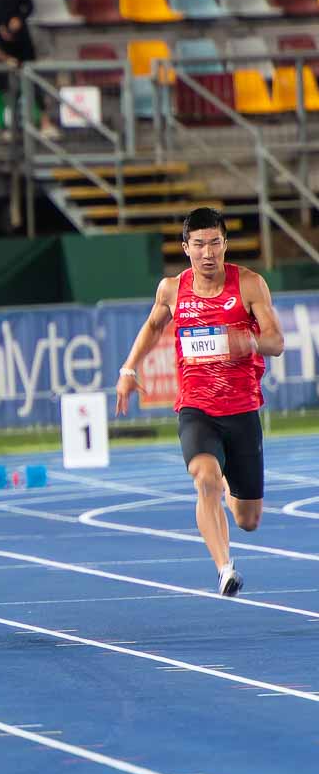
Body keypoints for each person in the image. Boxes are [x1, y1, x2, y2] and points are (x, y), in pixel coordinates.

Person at [115, 207, 285, 596]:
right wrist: (128, 370)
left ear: (225, 244)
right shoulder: (172, 289)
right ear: (185, 247)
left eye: (215, 243)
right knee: (204, 480)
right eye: (199, 245)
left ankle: (228, 481)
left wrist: (251, 341)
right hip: (196, 409)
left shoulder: (249, 285)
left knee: (248, 518)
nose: (208, 253)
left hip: (242, 409)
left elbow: (277, 341)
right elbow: (153, 325)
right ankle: (225, 568)